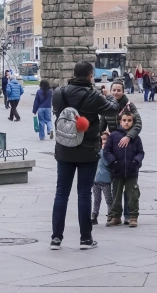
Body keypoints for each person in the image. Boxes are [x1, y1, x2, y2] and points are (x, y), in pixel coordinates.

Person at [50, 61, 121, 251]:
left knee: (61, 193)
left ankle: (56, 239)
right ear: (90, 76)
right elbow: (113, 109)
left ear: (74, 74)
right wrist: (109, 96)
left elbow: (58, 114)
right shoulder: (92, 96)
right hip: (87, 150)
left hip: (64, 149)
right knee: (84, 193)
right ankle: (85, 239)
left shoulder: (59, 93)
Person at [104, 108, 145, 227]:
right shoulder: (114, 136)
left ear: (133, 122)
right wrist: (114, 162)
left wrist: (136, 161)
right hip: (117, 171)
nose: (126, 122)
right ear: (120, 122)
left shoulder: (135, 137)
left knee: (133, 194)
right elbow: (107, 151)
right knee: (116, 195)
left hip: (132, 171)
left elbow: (141, 152)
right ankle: (116, 216)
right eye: (124, 120)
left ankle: (133, 216)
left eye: (129, 120)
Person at [91, 132, 113, 225]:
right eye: (102, 139)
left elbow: (107, 163)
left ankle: (110, 215)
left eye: (105, 139)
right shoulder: (97, 151)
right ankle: (94, 216)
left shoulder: (108, 153)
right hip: (96, 180)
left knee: (108, 199)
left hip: (105, 180)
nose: (103, 141)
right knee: (96, 199)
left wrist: (103, 151)